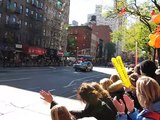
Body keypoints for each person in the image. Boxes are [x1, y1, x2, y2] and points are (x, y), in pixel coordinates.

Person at [40, 82, 116, 120]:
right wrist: (53, 102)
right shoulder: (100, 102)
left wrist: (52, 102)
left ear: (84, 99)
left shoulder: (94, 108)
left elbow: (74, 115)